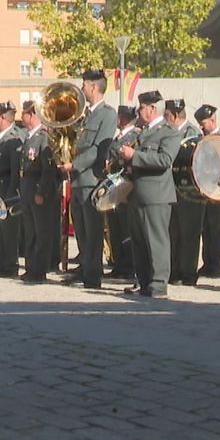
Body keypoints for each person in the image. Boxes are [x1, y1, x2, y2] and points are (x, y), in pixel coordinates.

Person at [117, 91, 181, 298]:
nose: (138, 111)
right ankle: (144, 282)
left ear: (153, 109)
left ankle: (159, 284)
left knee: (156, 241)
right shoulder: (141, 132)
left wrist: (135, 155)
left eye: (142, 107)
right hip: (137, 193)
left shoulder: (169, 132)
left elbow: (165, 160)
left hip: (157, 195)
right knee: (139, 241)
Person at [60, 69, 116, 289]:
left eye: (84, 85)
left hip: (91, 179)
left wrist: (75, 165)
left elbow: (99, 149)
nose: (82, 89)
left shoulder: (107, 114)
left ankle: (93, 275)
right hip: (77, 181)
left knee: (93, 232)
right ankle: (85, 268)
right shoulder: (85, 115)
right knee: (82, 230)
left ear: (93, 86)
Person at [19, 100, 61, 282]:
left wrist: (41, 192)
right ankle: (31, 266)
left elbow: (48, 169)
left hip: (37, 188)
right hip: (27, 187)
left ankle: (40, 269)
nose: (22, 117)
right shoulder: (30, 137)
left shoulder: (44, 138)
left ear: (33, 116)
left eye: (25, 113)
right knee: (30, 231)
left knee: (41, 231)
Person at [166, 99, 204, 286]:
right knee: (174, 232)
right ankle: (174, 270)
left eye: (166, 116)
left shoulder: (192, 133)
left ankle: (188, 272)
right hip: (173, 189)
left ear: (173, 116)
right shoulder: (169, 132)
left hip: (190, 191)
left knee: (189, 233)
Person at [0, 102, 25, 276]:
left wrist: (12, 193)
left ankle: (10, 264)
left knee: (8, 229)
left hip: (5, 186)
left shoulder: (13, 138)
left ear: (3, 118)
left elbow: (15, 169)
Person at [105, 105, 139, 279]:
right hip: (113, 188)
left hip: (125, 189)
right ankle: (118, 263)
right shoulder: (118, 137)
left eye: (120, 116)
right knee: (115, 229)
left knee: (126, 231)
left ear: (125, 118)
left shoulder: (134, 135)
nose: (117, 119)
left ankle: (128, 266)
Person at [195, 105, 220, 280]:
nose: (201, 126)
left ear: (212, 120)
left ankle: (215, 265)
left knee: (215, 229)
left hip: (218, 189)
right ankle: (207, 263)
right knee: (206, 228)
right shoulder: (204, 139)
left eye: (203, 123)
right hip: (205, 190)